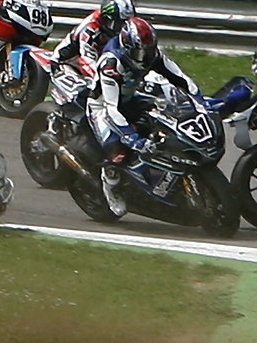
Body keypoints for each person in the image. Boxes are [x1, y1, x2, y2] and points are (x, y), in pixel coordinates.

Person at [87, 17, 205, 218]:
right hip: (103, 107)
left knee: (166, 115)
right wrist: (130, 138)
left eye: (148, 51)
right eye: (139, 52)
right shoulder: (110, 63)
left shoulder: (152, 53)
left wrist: (199, 100)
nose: (144, 57)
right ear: (126, 47)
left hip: (131, 97)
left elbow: (180, 78)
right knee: (117, 153)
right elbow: (112, 108)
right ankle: (111, 183)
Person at [50, 0, 136, 68]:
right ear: (106, 19)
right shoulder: (90, 30)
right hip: (70, 61)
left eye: (124, 24)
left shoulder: (124, 32)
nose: (121, 29)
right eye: (117, 24)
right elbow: (87, 61)